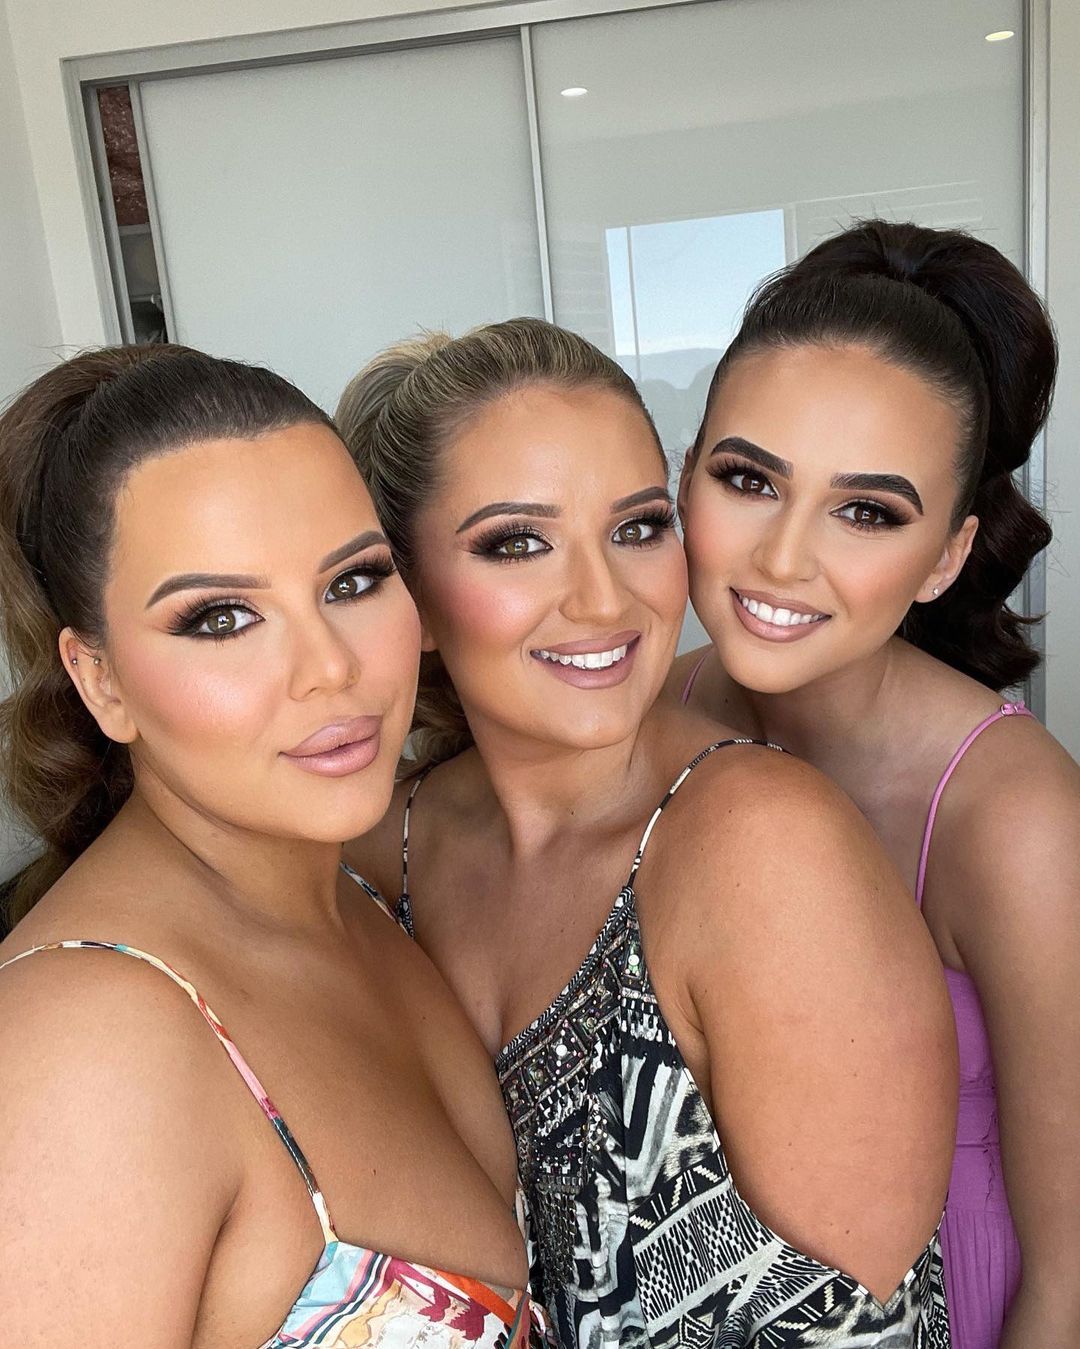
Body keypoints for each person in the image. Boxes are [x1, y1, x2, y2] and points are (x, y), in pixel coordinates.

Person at [338, 317, 957, 1347]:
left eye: (636, 528)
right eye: (517, 542)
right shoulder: (366, 852)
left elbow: (867, 1328)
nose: (603, 598)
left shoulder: (767, 852)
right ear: (409, 593)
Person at [0, 345, 539, 1348]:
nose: (330, 666)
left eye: (354, 579)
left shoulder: (361, 895)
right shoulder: (84, 1050)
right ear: (100, 680)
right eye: (221, 617)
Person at [672, 220, 1080, 1349]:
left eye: (866, 511)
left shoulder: (1015, 817)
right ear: (685, 474)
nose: (783, 558)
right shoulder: (646, 713)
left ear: (946, 554)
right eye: (748, 478)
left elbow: (1073, 1275)